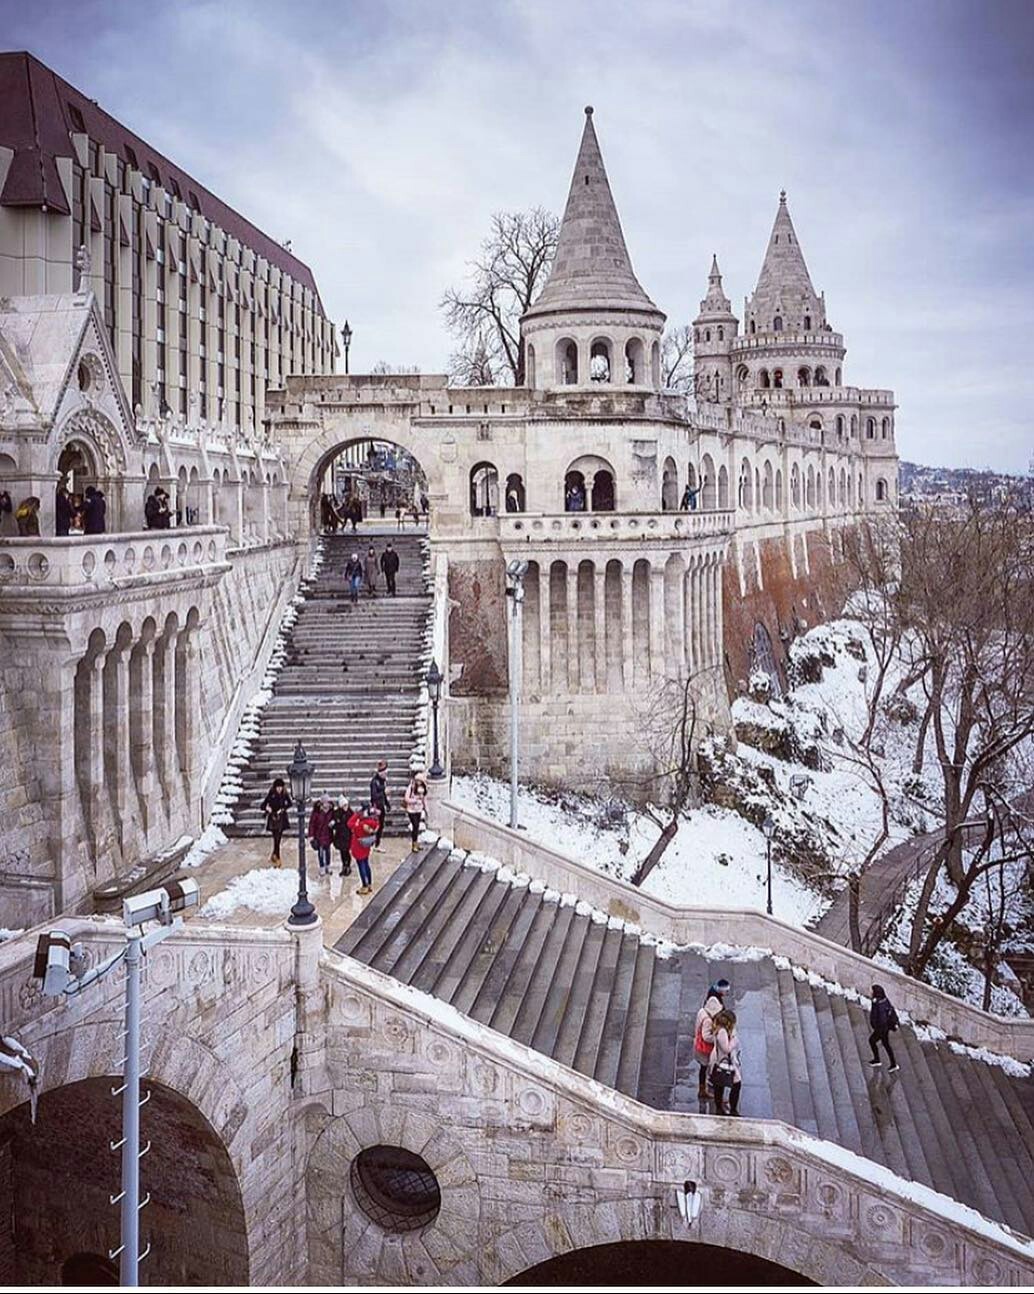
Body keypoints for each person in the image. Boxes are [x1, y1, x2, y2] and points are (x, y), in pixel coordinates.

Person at [694, 979, 730, 1099]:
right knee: (707, 1068)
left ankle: (702, 1088)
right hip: (704, 1050)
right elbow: (706, 1036)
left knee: (703, 1068)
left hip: (699, 1047)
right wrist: (717, 1037)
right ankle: (705, 1089)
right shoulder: (709, 1020)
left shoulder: (702, 1011)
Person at [708, 1008, 742, 1115]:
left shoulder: (722, 1030)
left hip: (723, 1061)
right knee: (734, 1084)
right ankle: (730, 1109)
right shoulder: (722, 1032)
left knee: (720, 1085)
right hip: (723, 1063)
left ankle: (722, 1107)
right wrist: (734, 1041)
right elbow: (726, 1048)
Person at [348, 802, 381, 895]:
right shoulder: (373, 822)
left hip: (358, 846)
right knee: (366, 864)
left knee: (361, 865)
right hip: (366, 845)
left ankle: (364, 886)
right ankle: (369, 883)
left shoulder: (360, 824)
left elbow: (349, 824)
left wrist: (357, 815)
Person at [260, 777, 292, 866]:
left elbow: (290, 803)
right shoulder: (271, 794)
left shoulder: (284, 794)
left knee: (278, 838)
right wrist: (267, 808)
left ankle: (274, 855)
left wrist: (283, 809)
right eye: (278, 787)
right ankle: (277, 857)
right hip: (273, 818)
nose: (279, 789)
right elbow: (262, 805)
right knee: (276, 838)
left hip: (281, 817)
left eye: (281, 787)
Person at [868, 983, 900, 1072]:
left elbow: (880, 1017)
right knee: (886, 1044)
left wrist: (875, 1026)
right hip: (884, 1028)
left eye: (872, 991)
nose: (870, 992)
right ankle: (892, 1064)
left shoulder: (877, 1003)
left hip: (881, 1028)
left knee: (872, 1041)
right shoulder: (884, 1000)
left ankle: (877, 1060)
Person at [308, 795, 335, 875]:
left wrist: (333, 822)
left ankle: (328, 865)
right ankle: (322, 866)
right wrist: (311, 835)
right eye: (324, 802)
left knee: (328, 851)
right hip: (319, 835)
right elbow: (312, 824)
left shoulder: (331, 811)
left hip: (328, 834)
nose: (326, 804)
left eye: (327, 802)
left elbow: (335, 818)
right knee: (320, 852)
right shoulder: (316, 812)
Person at [403, 774, 428, 850]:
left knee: (416, 827)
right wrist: (415, 800)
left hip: (419, 809)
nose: (418, 782)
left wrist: (426, 808)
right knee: (415, 825)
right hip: (411, 810)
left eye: (420, 781)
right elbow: (406, 798)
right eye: (417, 780)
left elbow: (424, 799)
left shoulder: (423, 788)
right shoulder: (411, 787)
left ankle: (416, 843)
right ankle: (414, 844)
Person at [370, 760, 390, 850]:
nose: (386, 774)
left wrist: (387, 804)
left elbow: (384, 795)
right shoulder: (374, 782)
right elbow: (374, 796)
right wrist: (383, 792)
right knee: (376, 825)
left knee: (381, 825)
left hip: (381, 806)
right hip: (376, 806)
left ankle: (377, 843)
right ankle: (374, 843)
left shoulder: (383, 781)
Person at [331, 796, 353, 876]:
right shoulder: (337, 813)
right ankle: (344, 866)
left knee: (346, 852)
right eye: (344, 805)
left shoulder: (350, 813)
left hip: (348, 835)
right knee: (342, 852)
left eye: (346, 805)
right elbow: (335, 824)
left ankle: (348, 866)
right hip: (340, 836)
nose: (346, 807)